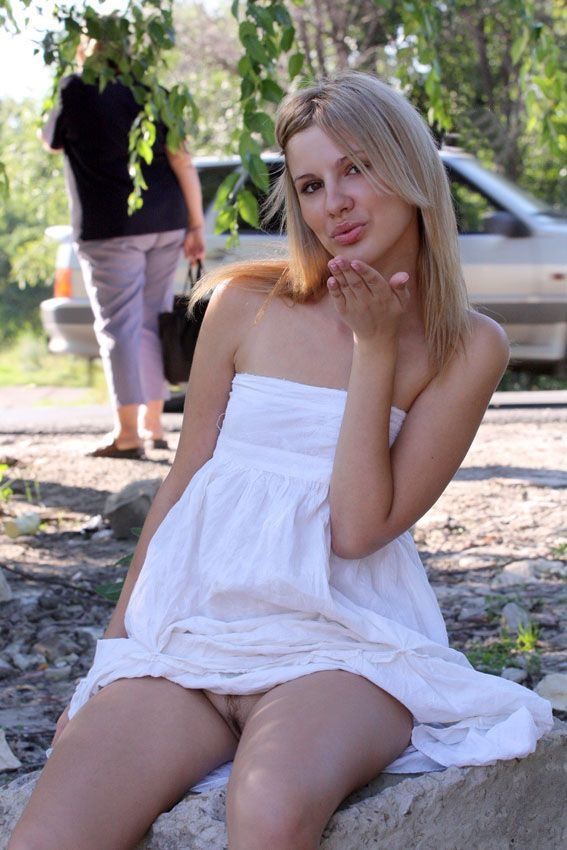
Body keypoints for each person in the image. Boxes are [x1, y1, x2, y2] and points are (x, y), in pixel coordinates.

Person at [11, 72, 552, 850]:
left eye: (356, 168)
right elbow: (183, 478)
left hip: (343, 647)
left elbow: (360, 529)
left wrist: (372, 348)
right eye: (308, 182)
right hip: (191, 639)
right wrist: (114, 651)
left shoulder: (467, 345)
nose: (333, 200)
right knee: (51, 837)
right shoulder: (243, 305)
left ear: (408, 168)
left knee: (267, 813)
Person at [41, 37, 206, 458]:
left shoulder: (75, 89)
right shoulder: (154, 92)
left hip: (110, 228)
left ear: (86, 51)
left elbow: (52, 141)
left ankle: (128, 435)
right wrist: (196, 224)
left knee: (120, 327)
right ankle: (153, 425)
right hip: (167, 223)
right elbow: (181, 159)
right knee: (152, 321)